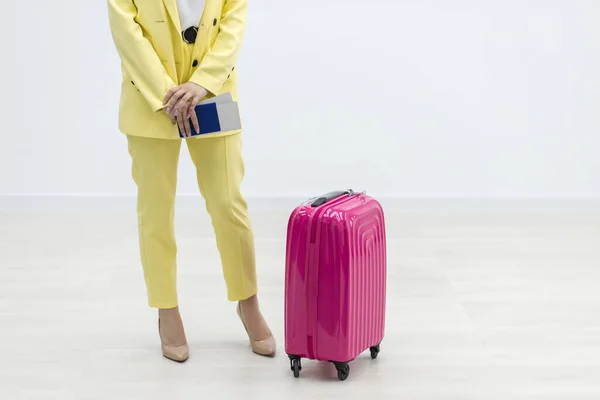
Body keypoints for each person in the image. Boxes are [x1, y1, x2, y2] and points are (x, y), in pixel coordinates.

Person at [107, 0, 275, 362]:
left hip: (214, 96)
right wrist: (169, 94)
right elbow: (128, 34)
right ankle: (167, 308)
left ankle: (248, 302)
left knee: (228, 204)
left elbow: (233, 24)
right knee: (156, 212)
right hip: (151, 102)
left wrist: (202, 83)